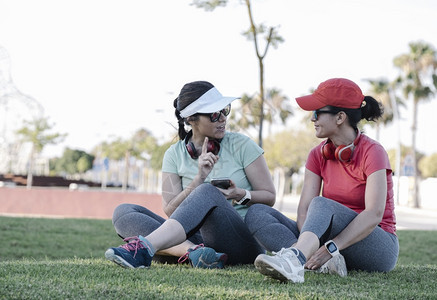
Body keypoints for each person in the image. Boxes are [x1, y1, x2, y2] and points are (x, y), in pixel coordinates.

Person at [105, 80, 276, 269]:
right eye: (214, 114)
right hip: (196, 236)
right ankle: (195, 252)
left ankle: (146, 250)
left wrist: (240, 194)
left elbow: (269, 196)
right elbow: (170, 210)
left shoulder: (242, 145)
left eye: (225, 110)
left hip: (242, 241)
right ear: (191, 119)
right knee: (124, 212)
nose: (222, 118)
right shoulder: (174, 154)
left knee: (206, 191)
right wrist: (199, 178)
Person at [245, 78, 398, 283]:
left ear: (340, 117)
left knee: (321, 203)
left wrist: (331, 247)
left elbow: (374, 214)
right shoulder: (317, 154)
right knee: (257, 213)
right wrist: (311, 243)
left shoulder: (374, 152)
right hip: (327, 242)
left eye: (317, 112)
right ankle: (307, 258)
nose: (312, 119)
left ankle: (296, 260)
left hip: (378, 246)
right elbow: (304, 211)